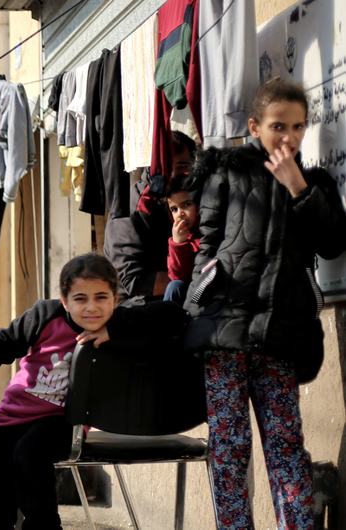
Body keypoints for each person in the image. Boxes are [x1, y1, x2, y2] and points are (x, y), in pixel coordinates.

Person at [183, 77, 346, 528]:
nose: (289, 137)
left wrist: (299, 188)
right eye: (278, 126)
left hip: (281, 338)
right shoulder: (226, 172)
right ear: (255, 126)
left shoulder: (316, 182)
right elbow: (207, 247)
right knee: (230, 451)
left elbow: (333, 242)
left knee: (286, 448)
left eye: (298, 127)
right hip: (225, 338)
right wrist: (197, 313)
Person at [0, 254, 188, 529]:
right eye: (80, 298)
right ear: (64, 301)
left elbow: (175, 315)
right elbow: (4, 342)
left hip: (63, 421)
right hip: (13, 416)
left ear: (115, 298)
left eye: (101, 297)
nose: (92, 308)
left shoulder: (119, 321)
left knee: (30, 456)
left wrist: (116, 329)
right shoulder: (46, 315)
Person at [107, 131, 198, 300]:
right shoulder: (131, 209)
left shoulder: (200, 198)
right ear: (152, 167)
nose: (172, 176)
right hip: (139, 308)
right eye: (164, 168)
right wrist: (196, 276)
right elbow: (134, 281)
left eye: (182, 167)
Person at [162, 176, 199, 305]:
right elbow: (177, 277)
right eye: (174, 209)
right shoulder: (179, 239)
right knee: (174, 287)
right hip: (187, 296)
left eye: (187, 205)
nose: (180, 213)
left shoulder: (207, 234)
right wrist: (178, 244)